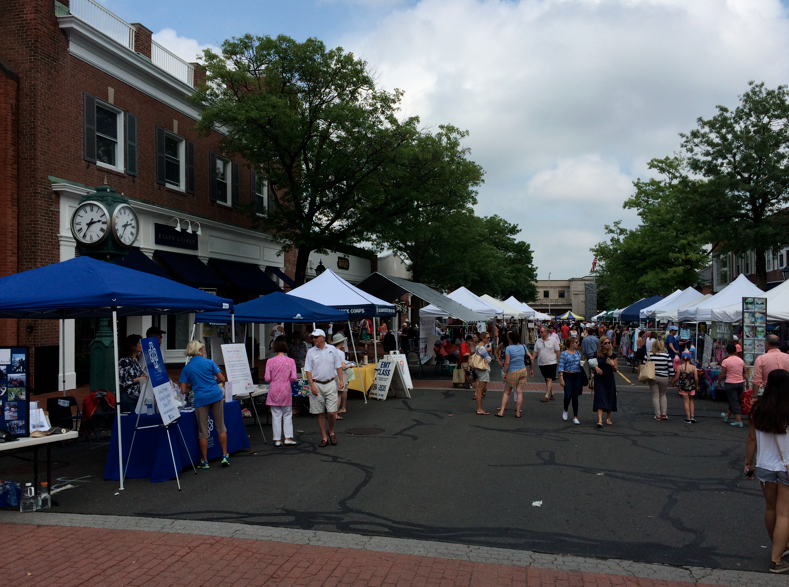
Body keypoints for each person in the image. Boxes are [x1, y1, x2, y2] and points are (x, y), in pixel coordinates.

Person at [745, 368, 789, 574]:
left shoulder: (757, 409)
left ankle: (777, 546)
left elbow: (752, 439)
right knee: (785, 514)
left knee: (770, 509)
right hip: (786, 467)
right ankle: (776, 559)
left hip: (764, 465)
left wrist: (748, 464)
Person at [179, 340, 229, 468]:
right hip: (215, 395)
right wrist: (212, 382)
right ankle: (224, 456)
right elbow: (223, 379)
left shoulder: (187, 368)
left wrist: (194, 386)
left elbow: (183, 390)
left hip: (200, 399)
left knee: (203, 431)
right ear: (199, 351)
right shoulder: (209, 362)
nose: (204, 351)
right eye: (202, 349)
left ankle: (205, 461)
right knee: (221, 427)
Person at [304, 329, 344, 447]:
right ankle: (324, 437)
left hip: (330, 382)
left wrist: (341, 380)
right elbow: (308, 370)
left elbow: (338, 366)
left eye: (316, 337)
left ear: (323, 338)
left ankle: (331, 431)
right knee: (319, 412)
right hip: (317, 383)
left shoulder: (332, 350)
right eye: (312, 338)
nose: (313, 339)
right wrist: (311, 385)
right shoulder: (311, 352)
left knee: (332, 412)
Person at [265, 338, 298, 447]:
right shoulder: (291, 361)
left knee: (276, 415)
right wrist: (287, 381)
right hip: (285, 388)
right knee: (287, 414)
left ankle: (277, 439)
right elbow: (294, 377)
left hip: (274, 388)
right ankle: (288, 437)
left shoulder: (270, 361)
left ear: (275, 349)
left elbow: (267, 378)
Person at [496, 331, 532, 418]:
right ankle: (518, 412)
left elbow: (507, 362)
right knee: (519, 392)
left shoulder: (509, 348)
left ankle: (501, 411)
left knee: (507, 392)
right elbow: (530, 358)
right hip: (523, 370)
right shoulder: (523, 346)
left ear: (510, 339)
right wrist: (531, 369)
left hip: (512, 371)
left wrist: (504, 372)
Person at [643, 339, 674, 421]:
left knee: (655, 395)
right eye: (663, 345)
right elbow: (670, 368)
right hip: (664, 377)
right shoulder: (666, 356)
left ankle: (657, 415)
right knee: (663, 394)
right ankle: (664, 414)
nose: (664, 346)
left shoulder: (648, 355)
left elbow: (644, 364)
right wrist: (672, 377)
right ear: (660, 346)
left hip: (653, 377)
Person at [718, 342, 748, 427]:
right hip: (740, 383)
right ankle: (727, 416)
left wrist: (719, 382)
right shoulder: (741, 361)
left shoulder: (726, 361)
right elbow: (744, 373)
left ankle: (739, 421)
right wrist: (748, 383)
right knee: (735, 400)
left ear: (727, 351)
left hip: (730, 383)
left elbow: (722, 374)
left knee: (734, 401)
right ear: (735, 351)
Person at [592, 335, 618, 428]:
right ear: (601, 344)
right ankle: (599, 420)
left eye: (609, 343)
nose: (607, 344)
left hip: (609, 377)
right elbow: (591, 364)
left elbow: (615, 370)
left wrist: (612, 365)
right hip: (599, 378)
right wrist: (596, 367)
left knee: (609, 397)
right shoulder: (597, 354)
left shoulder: (613, 355)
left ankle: (608, 418)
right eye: (605, 343)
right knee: (600, 396)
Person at [118, 334, 147, 413]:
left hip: (137, 396)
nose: (141, 345)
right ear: (133, 346)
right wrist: (138, 379)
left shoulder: (136, 360)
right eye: (139, 343)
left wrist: (142, 377)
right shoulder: (125, 361)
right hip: (128, 397)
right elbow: (123, 382)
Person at [557, 337, 583, 425]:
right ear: (571, 343)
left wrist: (582, 364)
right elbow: (561, 366)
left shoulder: (578, 353)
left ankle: (575, 416)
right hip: (567, 375)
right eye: (576, 342)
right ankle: (565, 409)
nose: (578, 343)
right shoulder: (564, 353)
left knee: (575, 396)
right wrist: (561, 377)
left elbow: (580, 363)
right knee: (568, 395)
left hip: (577, 375)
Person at [535, 327, 561, 402]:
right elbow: (535, 351)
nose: (540, 333)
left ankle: (546, 395)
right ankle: (552, 392)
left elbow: (558, 351)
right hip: (542, 363)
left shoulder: (553, 340)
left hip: (552, 362)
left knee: (548, 379)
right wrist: (532, 359)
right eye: (540, 332)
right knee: (547, 379)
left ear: (546, 332)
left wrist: (559, 361)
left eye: (542, 332)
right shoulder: (538, 341)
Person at [331, 333, 353, 418]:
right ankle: (335, 413)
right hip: (340, 374)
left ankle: (332, 412)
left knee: (333, 394)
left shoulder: (330, 351)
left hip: (332, 374)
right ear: (340, 342)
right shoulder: (340, 353)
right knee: (339, 394)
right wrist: (350, 365)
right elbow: (343, 367)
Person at [672, 351, 698, 423]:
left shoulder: (680, 367)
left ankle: (688, 418)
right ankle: (692, 416)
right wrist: (697, 385)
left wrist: (673, 383)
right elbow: (696, 378)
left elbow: (677, 378)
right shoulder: (693, 367)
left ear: (682, 359)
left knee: (686, 402)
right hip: (692, 386)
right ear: (690, 359)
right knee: (691, 401)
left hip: (683, 386)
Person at [473, 332, 493, 415]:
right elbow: (489, 359)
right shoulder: (482, 348)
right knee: (481, 390)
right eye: (487, 338)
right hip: (483, 369)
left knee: (481, 390)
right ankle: (479, 408)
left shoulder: (478, 346)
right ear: (483, 338)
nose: (489, 339)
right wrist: (488, 352)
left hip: (478, 369)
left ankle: (480, 407)